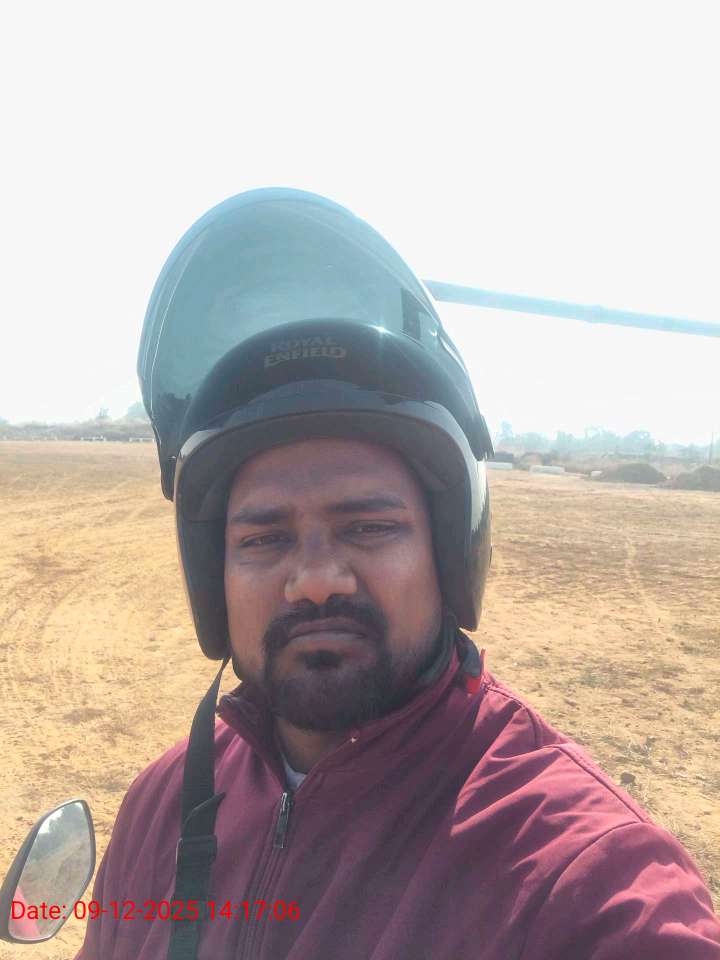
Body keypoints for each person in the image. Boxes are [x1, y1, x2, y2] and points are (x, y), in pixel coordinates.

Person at [75, 189, 720, 959]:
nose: (315, 580)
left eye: (369, 527)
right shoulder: (165, 810)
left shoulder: (574, 877)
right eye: (264, 538)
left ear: (449, 556)